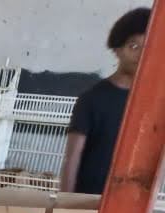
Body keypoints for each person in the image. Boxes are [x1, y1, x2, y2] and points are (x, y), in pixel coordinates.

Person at [60, 7, 151, 194]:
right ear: (117, 49)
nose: (141, 54)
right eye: (134, 46)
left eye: (148, 47)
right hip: (90, 200)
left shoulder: (152, 103)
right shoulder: (91, 99)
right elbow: (72, 159)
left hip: (131, 200)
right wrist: (67, 203)